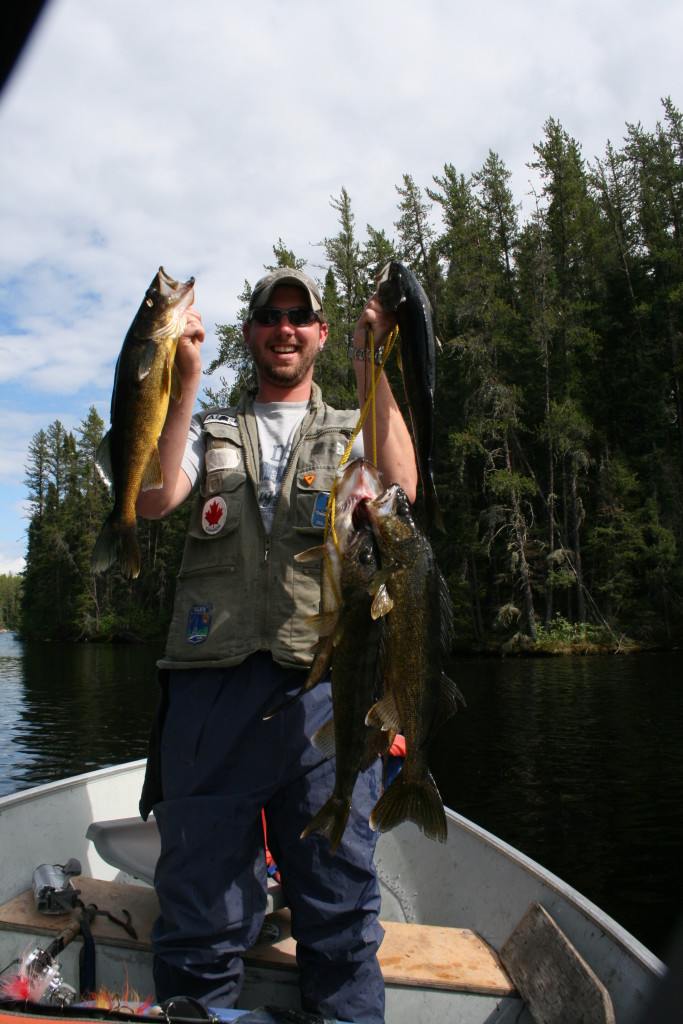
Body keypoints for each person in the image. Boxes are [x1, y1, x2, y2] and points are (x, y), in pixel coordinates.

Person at [136, 266, 417, 1024]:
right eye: (269, 315)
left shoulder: (348, 426)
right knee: (199, 922)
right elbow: (155, 497)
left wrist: (373, 365)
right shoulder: (208, 427)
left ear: (321, 334)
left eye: (300, 316)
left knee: (339, 917)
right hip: (209, 697)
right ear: (252, 332)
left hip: (326, 694)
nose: (284, 327)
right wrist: (184, 378)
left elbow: (399, 483)